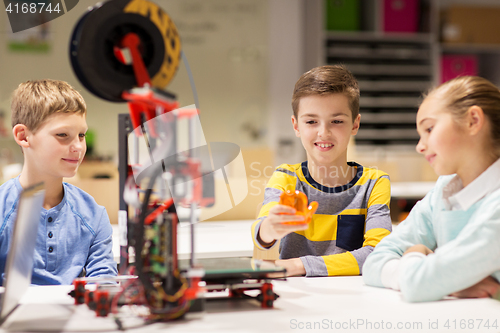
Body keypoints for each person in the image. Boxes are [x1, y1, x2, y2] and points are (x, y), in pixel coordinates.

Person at [363, 76, 500, 302]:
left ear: (473, 120)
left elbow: (418, 284)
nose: (420, 146)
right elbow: (374, 263)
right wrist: (445, 280)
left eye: (429, 128)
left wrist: (416, 255)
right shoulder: (444, 191)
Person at [251, 65, 392, 277]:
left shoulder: (374, 183)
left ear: (355, 124)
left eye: (336, 121)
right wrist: (270, 228)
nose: (323, 132)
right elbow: (261, 232)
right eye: (311, 121)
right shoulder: (286, 178)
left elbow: (378, 254)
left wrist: (301, 266)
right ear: (296, 126)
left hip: (357, 299)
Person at [0, 79, 117, 285]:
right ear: (23, 136)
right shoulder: (3, 209)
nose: (78, 147)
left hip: (77, 316)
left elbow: (104, 286)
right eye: (63, 135)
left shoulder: (93, 215)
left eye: (81, 135)